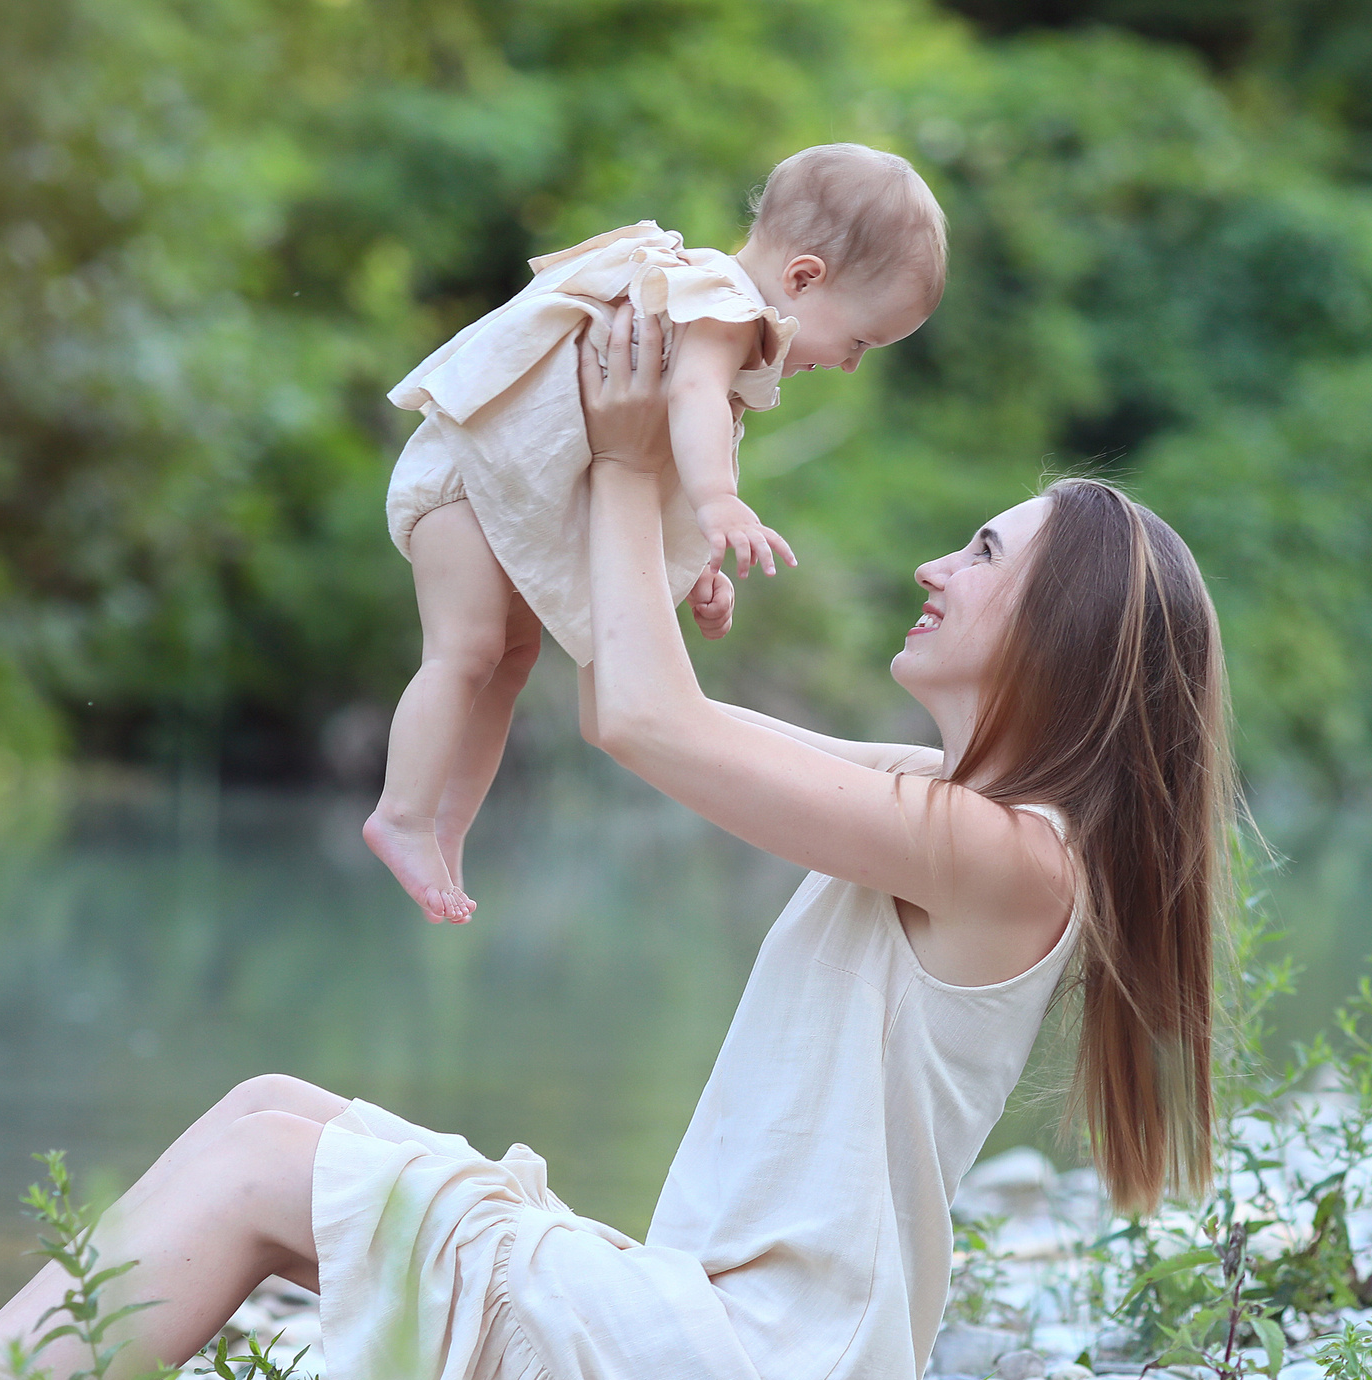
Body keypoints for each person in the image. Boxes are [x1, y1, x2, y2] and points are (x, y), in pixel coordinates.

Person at [0, 300, 1230, 1380]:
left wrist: (620, 455)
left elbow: (643, 728)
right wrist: (639, 494)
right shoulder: (956, 815)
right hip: (732, 1361)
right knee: (270, 1118)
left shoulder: (1007, 857)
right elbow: (662, 700)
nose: (944, 565)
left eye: (989, 552)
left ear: (1062, 637)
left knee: (257, 1168)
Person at [363, 143, 947, 924]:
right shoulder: (720, 307)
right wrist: (719, 503)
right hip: (464, 477)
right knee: (466, 650)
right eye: (861, 342)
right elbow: (695, 395)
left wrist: (696, 557)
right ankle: (400, 812)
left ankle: (445, 825)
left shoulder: (713, 315)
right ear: (804, 279)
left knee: (509, 660)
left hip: (501, 492)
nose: (849, 367)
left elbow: (654, 454)